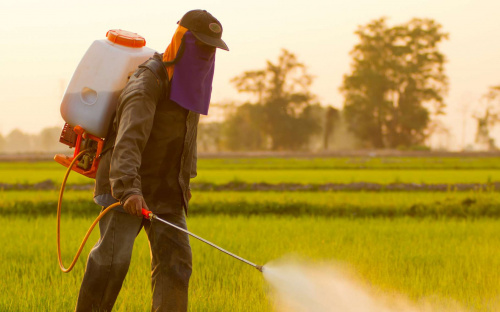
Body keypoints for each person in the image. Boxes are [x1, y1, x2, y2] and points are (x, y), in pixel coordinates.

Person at [75, 9, 228, 312]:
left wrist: (184, 184)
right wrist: (129, 188)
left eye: (213, 48)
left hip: (165, 190)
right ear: (182, 40)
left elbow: (187, 142)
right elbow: (128, 141)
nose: (208, 53)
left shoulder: (190, 88)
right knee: (112, 262)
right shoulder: (148, 83)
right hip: (125, 184)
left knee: (177, 262)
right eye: (202, 45)